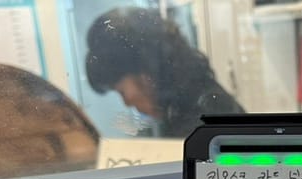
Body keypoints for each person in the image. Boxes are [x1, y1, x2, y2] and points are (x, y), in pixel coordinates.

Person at [85, 7, 245, 139]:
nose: (126, 102)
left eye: (122, 91)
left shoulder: (203, 120)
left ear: (146, 74)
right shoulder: (186, 108)